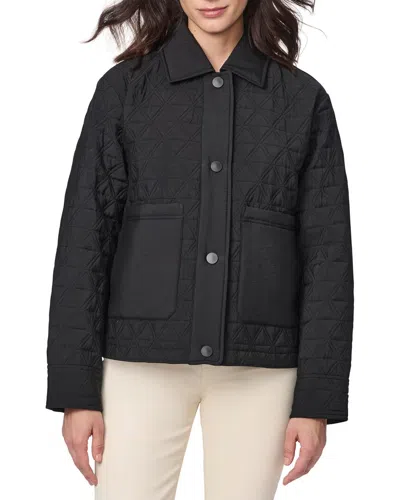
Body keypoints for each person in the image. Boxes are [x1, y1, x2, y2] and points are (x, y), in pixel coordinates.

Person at [45, 1, 354, 498]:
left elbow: (328, 256)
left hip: (261, 372)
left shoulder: (302, 100)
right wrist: (75, 391)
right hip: (140, 365)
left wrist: (316, 399)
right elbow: (85, 241)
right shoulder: (124, 91)